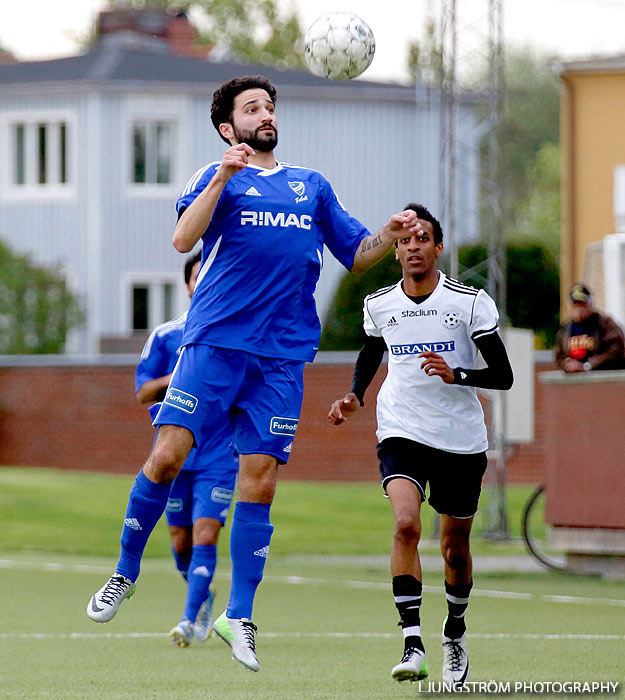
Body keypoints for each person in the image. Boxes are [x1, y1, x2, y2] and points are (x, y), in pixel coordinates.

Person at [86, 75, 422, 673]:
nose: (265, 114)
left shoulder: (310, 185)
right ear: (227, 127)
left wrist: (387, 236)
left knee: (261, 481)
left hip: (282, 356)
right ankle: (124, 572)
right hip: (216, 343)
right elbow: (181, 238)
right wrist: (223, 176)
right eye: (252, 108)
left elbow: (357, 252)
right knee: (167, 455)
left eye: (269, 106)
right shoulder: (215, 178)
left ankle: (237, 614)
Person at [328, 203, 513, 686]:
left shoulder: (469, 302)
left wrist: (459, 375)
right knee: (407, 524)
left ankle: (455, 634)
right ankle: (412, 642)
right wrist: (354, 396)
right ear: (395, 251)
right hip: (401, 428)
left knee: (454, 547)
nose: (413, 247)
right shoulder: (379, 305)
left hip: (459, 437)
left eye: (422, 239)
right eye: (405, 240)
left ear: (438, 247)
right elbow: (371, 355)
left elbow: (505, 375)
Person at [134, 250, 237, 648]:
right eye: (198, 274)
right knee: (180, 542)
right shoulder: (165, 335)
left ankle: (189, 618)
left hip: (218, 454)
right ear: (189, 283)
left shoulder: (234, 337)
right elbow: (143, 391)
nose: (204, 280)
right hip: (175, 455)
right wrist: (176, 378)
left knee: (206, 534)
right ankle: (204, 596)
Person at [554, 282, 625, 373]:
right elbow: (559, 356)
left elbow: (617, 350)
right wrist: (567, 364)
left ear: (591, 304)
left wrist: (588, 365)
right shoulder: (565, 330)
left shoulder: (605, 324)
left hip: (602, 380)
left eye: (582, 303)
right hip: (575, 383)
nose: (579, 307)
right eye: (576, 304)